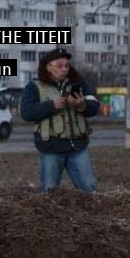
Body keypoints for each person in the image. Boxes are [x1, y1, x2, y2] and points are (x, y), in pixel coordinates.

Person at [19, 47, 100, 193]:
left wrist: (82, 105)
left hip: (78, 145)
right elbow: (26, 113)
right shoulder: (34, 87)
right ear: (49, 67)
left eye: (67, 65)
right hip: (51, 146)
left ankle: (89, 215)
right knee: (50, 191)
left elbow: (94, 105)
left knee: (89, 188)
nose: (64, 69)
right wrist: (52, 105)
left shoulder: (79, 84)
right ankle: (50, 215)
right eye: (60, 66)